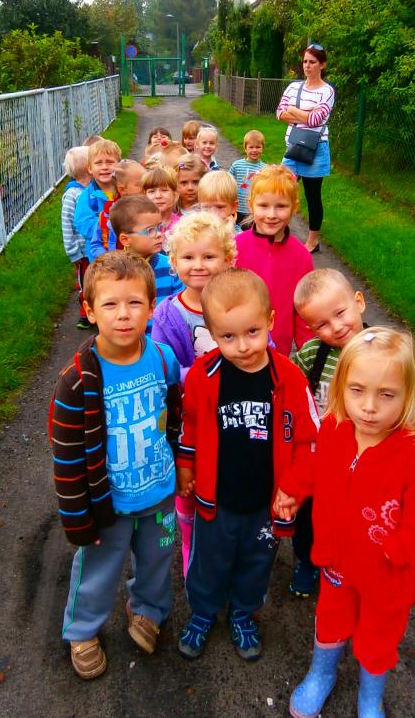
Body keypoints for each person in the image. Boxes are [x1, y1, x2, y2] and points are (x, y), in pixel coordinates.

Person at [288, 327, 415, 718]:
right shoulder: (335, 430)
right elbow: (315, 466)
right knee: (331, 618)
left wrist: (395, 551)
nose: (369, 407)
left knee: (378, 636)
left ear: (409, 396)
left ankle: (370, 696)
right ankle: (322, 674)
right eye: (357, 390)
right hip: (336, 561)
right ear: (341, 386)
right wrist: (293, 488)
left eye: (386, 394)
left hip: (387, 575)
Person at [49, 251, 182, 679]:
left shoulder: (163, 359)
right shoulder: (77, 380)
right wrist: (77, 518)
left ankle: (147, 610)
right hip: (107, 504)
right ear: (89, 311)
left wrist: (181, 464)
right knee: (97, 570)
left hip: (158, 491)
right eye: (110, 304)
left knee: (157, 560)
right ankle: (82, 630)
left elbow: (175, 418)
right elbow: (67, 457)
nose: (123, 315)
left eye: (134, 303)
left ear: (152, 307)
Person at [176, 268, 319, 661]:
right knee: (208, 561)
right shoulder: (204, 377)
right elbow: (190, 425)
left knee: (257, 562)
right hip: (216, 498)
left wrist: (294, 486)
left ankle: (243, 613)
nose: (242, 346)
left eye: (252, 332)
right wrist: (186, 465)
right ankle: (203, 612)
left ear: (270, 320)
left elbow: (309, 441)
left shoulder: (290, 379)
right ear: (211, 332)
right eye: (228, 336)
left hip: (265, 502)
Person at [152, 212, 237, 576]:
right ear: (173, 262)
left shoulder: (238, 303)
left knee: (227, 480)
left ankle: (227, 545)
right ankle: (190, 543)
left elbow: (261, 346)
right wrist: (209, 376)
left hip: (232, 414)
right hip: (190, 418)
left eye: (209, 256)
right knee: (187, 486)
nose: (198, 265)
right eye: (188, 257)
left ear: (227, 259)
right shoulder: (168, 314)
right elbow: (165, 366)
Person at [288, 268, 367, 598]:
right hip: (319, 457)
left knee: (353, 515)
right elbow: (288, 383)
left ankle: (348, 563)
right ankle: (308, 560)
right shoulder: (313, 353)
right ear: (310, 328)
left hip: (362, 458)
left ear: (358, 302)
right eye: (321, 324)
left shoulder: (381, 351)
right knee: (309, 515)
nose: (335, 327)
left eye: (340, 313)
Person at [235, 165, 313, 356]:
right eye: (263, 206)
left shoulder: (301, 256)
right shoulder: (235, 248)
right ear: (251, 205)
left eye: (281, 206)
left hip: (278, 353)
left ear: (294, 207)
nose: (271, 215)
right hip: (236, 347)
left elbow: (305, 311)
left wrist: (308, 354)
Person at [277, 44, 335, 253]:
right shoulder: (293, 88)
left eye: (312, 62)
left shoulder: (327, 91)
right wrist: (305, 113)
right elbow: (280, 113)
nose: (307, 66)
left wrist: (293, 110)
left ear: (322, 65)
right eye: (305, 61)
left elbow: (315, 120)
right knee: (281, 191)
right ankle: (279, 233)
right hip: (293, 148)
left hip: (316, 149)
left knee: (312, 196)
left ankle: (312, 241)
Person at [109, 195, 184, 318]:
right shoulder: (114, 271)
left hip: (166, 329)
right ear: (125, 239)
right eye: (150, 230)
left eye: (159, 227)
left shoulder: (171, 265)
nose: (159, 234)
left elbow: (181, 306)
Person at [87, 159, 144, 260]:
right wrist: (109, 258)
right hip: (115, 266)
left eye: (146, 182)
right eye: (140, 184)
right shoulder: (107, 215)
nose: (146, 187)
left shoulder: (148, 211)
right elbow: (96, 244)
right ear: (122, 189)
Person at [60, 145, 91, 329]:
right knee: (86, 281)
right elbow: (67, 225)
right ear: (89, 168)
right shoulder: (72, 195)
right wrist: (73, 252)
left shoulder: (94, 189)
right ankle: (84, 313)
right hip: (82, 251)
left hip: (96, 247)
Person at [73, 139, 120, 243]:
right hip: (100, 248)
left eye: (110, 162)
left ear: (119, 165)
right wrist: (110, 227)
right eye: (98, 163)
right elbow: (83, 222)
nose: (104, 167)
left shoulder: (126, 190)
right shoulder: (87, 196)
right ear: (90, 169)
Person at [228, 129, 266, 225]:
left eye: (258, 147)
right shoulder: (237, 165)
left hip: (254, 211)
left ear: (263, 148)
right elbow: (228, 183)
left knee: (252, 232)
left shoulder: (265, 169)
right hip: (237, 208)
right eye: (251, 147)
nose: (254, 150)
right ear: (245, 148)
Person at [141, 165, 180, 234]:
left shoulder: (181, 225)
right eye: (152, 191)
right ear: (144, 196)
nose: (158, 196)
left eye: (164, 190)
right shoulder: (139, 225)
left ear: (175, 196)